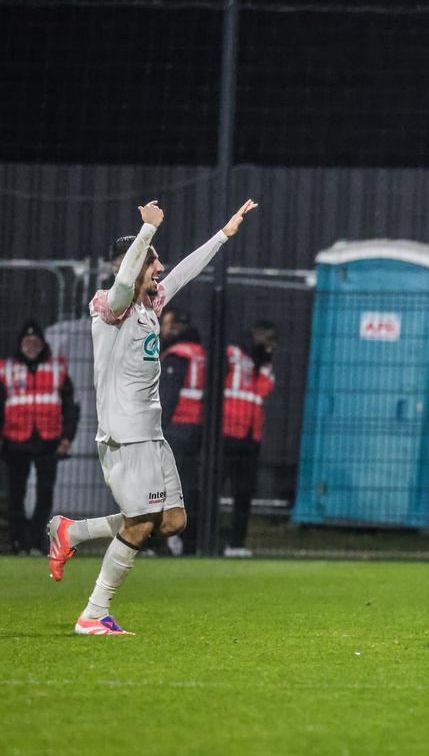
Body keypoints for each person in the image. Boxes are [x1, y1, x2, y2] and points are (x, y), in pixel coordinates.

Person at [44, 198, 257, 635]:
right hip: (124, 434)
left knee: (173, 522)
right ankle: (93, 614)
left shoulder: (149, 306)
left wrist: (223, 233)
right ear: (136, 263)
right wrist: (146, 232)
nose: (160, 270)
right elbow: (124, 283)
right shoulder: (110, 304)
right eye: (153, 263)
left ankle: (72, 532)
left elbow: (183, 273)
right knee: (141, 523)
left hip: (152, 433)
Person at [1, 320, 79, 554]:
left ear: (43, 344)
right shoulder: (7, 368)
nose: (31, 345)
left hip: (48, 440)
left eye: (36, 341)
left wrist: (67, 437)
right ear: (20, 343)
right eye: (27, 341)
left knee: (45, 495)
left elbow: (70, 407)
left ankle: (35, 541)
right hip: (15, 439)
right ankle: (17, 542)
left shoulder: (57, 368)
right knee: (16, 494)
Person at [223, 320, 278, 558]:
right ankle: (196, 541)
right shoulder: (232, 354)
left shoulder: (262, 364)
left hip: (249, 435)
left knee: (243, 493)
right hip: (226, 433)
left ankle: (236, 544)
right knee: (210, 489)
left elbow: (263, 390)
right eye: (266, 338)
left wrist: (265, 362)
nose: (269, 345)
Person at [159, 318, 206, 555]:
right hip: (199, 429)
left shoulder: (177, 355)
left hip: (177, 428)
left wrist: (157, 429)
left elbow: (167, 397)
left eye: (166, 326)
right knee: (191, 486)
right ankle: (191, 541)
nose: (162, 330)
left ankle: (168, 538)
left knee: (167, 487)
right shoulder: (202, 354)